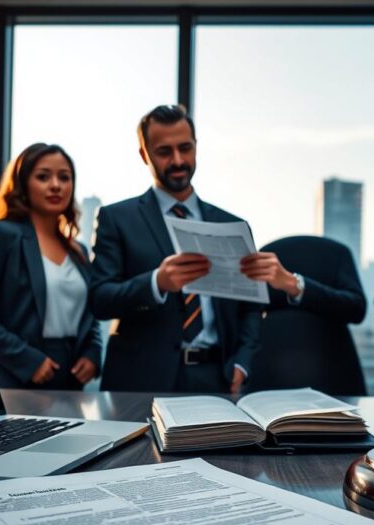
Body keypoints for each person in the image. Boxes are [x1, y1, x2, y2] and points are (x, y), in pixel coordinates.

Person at [89, 105, 262, 394]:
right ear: (144, 155)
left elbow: (252, 308)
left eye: (185, 148)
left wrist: (243, 362)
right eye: (164, 151)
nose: (178, 160)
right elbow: (99, 299)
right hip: (139, 382)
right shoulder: (116, 219)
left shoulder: (233, 224)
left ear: (196, 147)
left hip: (216, 378)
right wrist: (156, 282)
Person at [0, 143, 101, 390]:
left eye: (64, 177)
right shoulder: (2, 235)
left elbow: (90, 313)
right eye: (43, 176)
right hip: (18, 376)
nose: (55, 185)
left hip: (71, 377)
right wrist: (27, 360)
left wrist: (93, 353)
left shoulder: (78, 251)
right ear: (23, 184)